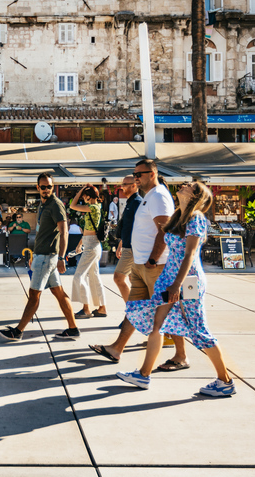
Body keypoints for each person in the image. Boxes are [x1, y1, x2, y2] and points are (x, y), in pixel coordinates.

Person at [117, 181, 236, 397]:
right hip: (169, 278)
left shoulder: (197, 218)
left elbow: (190, 254)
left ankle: (225, 381)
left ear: (195, 195)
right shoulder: (179, 215)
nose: (182, 185)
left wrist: (176, 284)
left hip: (187, 281)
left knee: (198, 330)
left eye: (189, 185)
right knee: (158, 325)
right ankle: (143, 374)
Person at [88, 159, 185, 366]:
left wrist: (152, 259)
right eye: (135, 174)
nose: (136, 178)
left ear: (152, 174)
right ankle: (116, 349)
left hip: (154, 265)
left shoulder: (158, 196)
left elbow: (164, 229)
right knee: (135, 308)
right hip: (142, 264)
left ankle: (181, 356)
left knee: (167, 309)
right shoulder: (148, 197)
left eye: (139, 174)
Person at [0, 172, 79, 341]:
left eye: (49, 186)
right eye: (43, 187)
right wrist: (34, 254)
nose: (46, 189)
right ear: (38, 188)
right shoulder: (43, 205)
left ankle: (18, 331)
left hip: (47, 257)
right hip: (41, 255)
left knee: (34, 295)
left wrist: (62, 258)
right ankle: (73, 329)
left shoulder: (56, 205)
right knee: (59, 293)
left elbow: (64, 231)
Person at [69, 184, 107, 319]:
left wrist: (79, 191)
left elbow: (72, 205)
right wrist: (80, 244)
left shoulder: (92, 207)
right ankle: (102, 308)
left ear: (89, 196)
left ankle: (86, 309)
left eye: (84, 196)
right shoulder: (97, 207)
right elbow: (89, 230)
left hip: (91, 246)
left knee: (79, 276)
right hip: (92, 244)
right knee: (95, 277)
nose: (82, 198)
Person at [112, 176, 141, 308]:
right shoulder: (130, 202)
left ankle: (132, 311)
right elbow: (127, 227)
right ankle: (135, 311)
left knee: (119, 278)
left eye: (125, 184)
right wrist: (120, 245)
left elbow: (139, 227)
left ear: (134, 185)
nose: (121, 186)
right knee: (131, 280)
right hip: (128, 246)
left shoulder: (137, 203)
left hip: (133, 248)